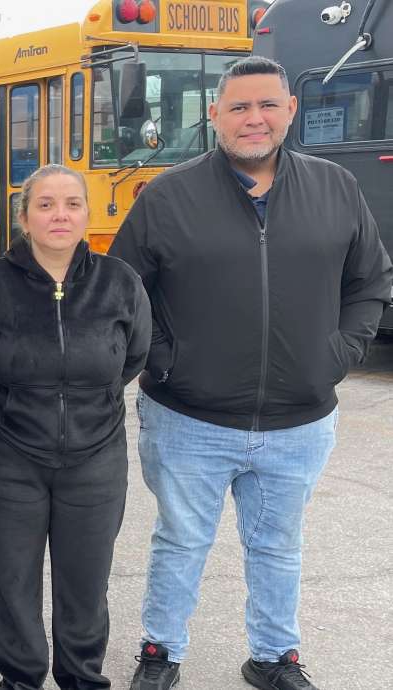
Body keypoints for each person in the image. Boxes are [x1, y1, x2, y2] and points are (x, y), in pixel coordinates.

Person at [109, 56, 392, 690]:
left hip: (300, 422)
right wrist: (165, 361)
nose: (253, 119)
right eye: (238, 107)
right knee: (180, 542)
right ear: (215, 116)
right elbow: (122, 295)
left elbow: (370, 281)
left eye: (267, 105)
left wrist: (339, 352)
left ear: (291, 110)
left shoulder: (336, 188)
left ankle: (274, 656)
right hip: (188, 418)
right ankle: (160, 652)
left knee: (278, 546)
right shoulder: (166, 196)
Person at [0, 164, 150, 690]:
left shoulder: (119, 281)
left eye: (72, 204)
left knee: (86, 583)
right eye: (45, 204)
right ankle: (21, 678)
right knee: (11, 581)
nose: (60, 215)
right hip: (8, 457)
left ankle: (81, 676)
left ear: (87, 215)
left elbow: (134, 354)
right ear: (24, 217)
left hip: (96, 458)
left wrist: (88, 402)